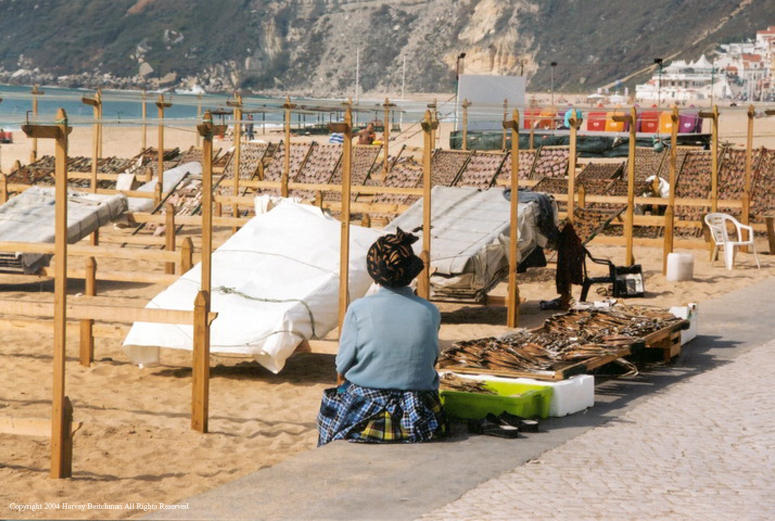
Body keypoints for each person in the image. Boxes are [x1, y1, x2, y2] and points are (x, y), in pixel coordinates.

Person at [317, 228, 447, 445]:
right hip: (420, 413)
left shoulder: (359, 309)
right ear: (411, 271)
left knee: (327, 417)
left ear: (374, 272)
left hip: (369, 414)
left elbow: (342, 364)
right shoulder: (430, 310)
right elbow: (431, 358)